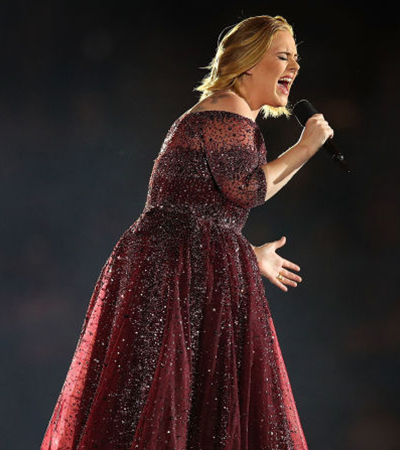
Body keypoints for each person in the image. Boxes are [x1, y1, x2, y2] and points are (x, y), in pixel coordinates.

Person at [41, 15, 333, 450]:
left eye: (296, 59)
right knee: (176, 400)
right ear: (249, 63)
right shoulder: (229, 109)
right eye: (282, 56)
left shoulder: (226, 113)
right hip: (173, 279)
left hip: (175, 271)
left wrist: (247, 254)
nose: (293, 67)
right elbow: (249, 189)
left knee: (168, 401)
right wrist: (306, 147)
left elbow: (210, 207)